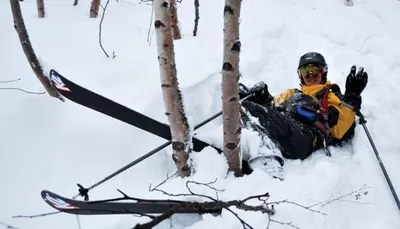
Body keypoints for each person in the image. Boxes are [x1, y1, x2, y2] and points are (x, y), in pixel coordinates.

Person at [239, 52, 368, 161]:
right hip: (283, 128)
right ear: (300, 75)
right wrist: (263, 97)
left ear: (324, 73)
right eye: (306, 72)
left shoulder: (330, 96)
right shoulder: (292, 94)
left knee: (250, 108)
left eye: (315, 71)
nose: (311, 76)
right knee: (245, 105)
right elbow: (272, 110)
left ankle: (266, 158)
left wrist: (351, 99)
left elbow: (339, 132)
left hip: (305, 137)